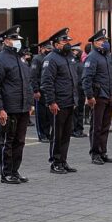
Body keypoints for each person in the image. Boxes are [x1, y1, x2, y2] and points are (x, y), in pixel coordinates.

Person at [0, 26, 34, 183]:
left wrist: (30, 103)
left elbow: (27, 83)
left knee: (19, 141)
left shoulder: (20, 60)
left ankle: (15, 171)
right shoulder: (0, 60)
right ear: (6, 40)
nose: (17, 42)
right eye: (15, 39)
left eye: (18, 40)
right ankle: (6, 173)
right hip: (8, 108)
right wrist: (0, 109)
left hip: (22, 107)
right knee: (7, 141)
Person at [41, 28, 78, 174]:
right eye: (64, 41)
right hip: (58, 103)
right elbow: (47, 82)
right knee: (57, 134)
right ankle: (55, 162)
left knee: (66, 134)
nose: (68, 43)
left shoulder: (69, 57)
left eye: (68, 40)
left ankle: (63, 160)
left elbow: (73, 79)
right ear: (56, 44)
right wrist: (51, 102)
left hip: (69, 101)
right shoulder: (50, 59)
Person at [82, 29, 112, 165]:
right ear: (95, 43)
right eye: (102, 40)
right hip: (98, 96)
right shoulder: (92, 57)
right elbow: (86, 78)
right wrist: (90, 96)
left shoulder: (107, 56)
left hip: (108, 95)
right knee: (96, 127)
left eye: (105, 40)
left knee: (105, 126)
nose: (105, 42)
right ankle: (95, 153)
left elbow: (110, 76)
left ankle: (103, 152)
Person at [31, 41, 52, 142]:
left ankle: (47, 133)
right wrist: (36, 90)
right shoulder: (37, 59)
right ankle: (42, 134)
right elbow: (34, 76)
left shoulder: (49, 58)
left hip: (48, 90)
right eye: (48, 48)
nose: (49, 50)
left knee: (48, 114)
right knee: (41, 114)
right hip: (40, 90)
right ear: (42, 48)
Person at [71, 42, 87, 138]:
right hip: (75, 90)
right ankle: (74, 130)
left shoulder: (81, 63)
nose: (80, 52)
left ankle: (79, 129)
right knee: (75, 111)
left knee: (80, 111)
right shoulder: (72, 63)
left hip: (81, 90)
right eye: (78, 50)